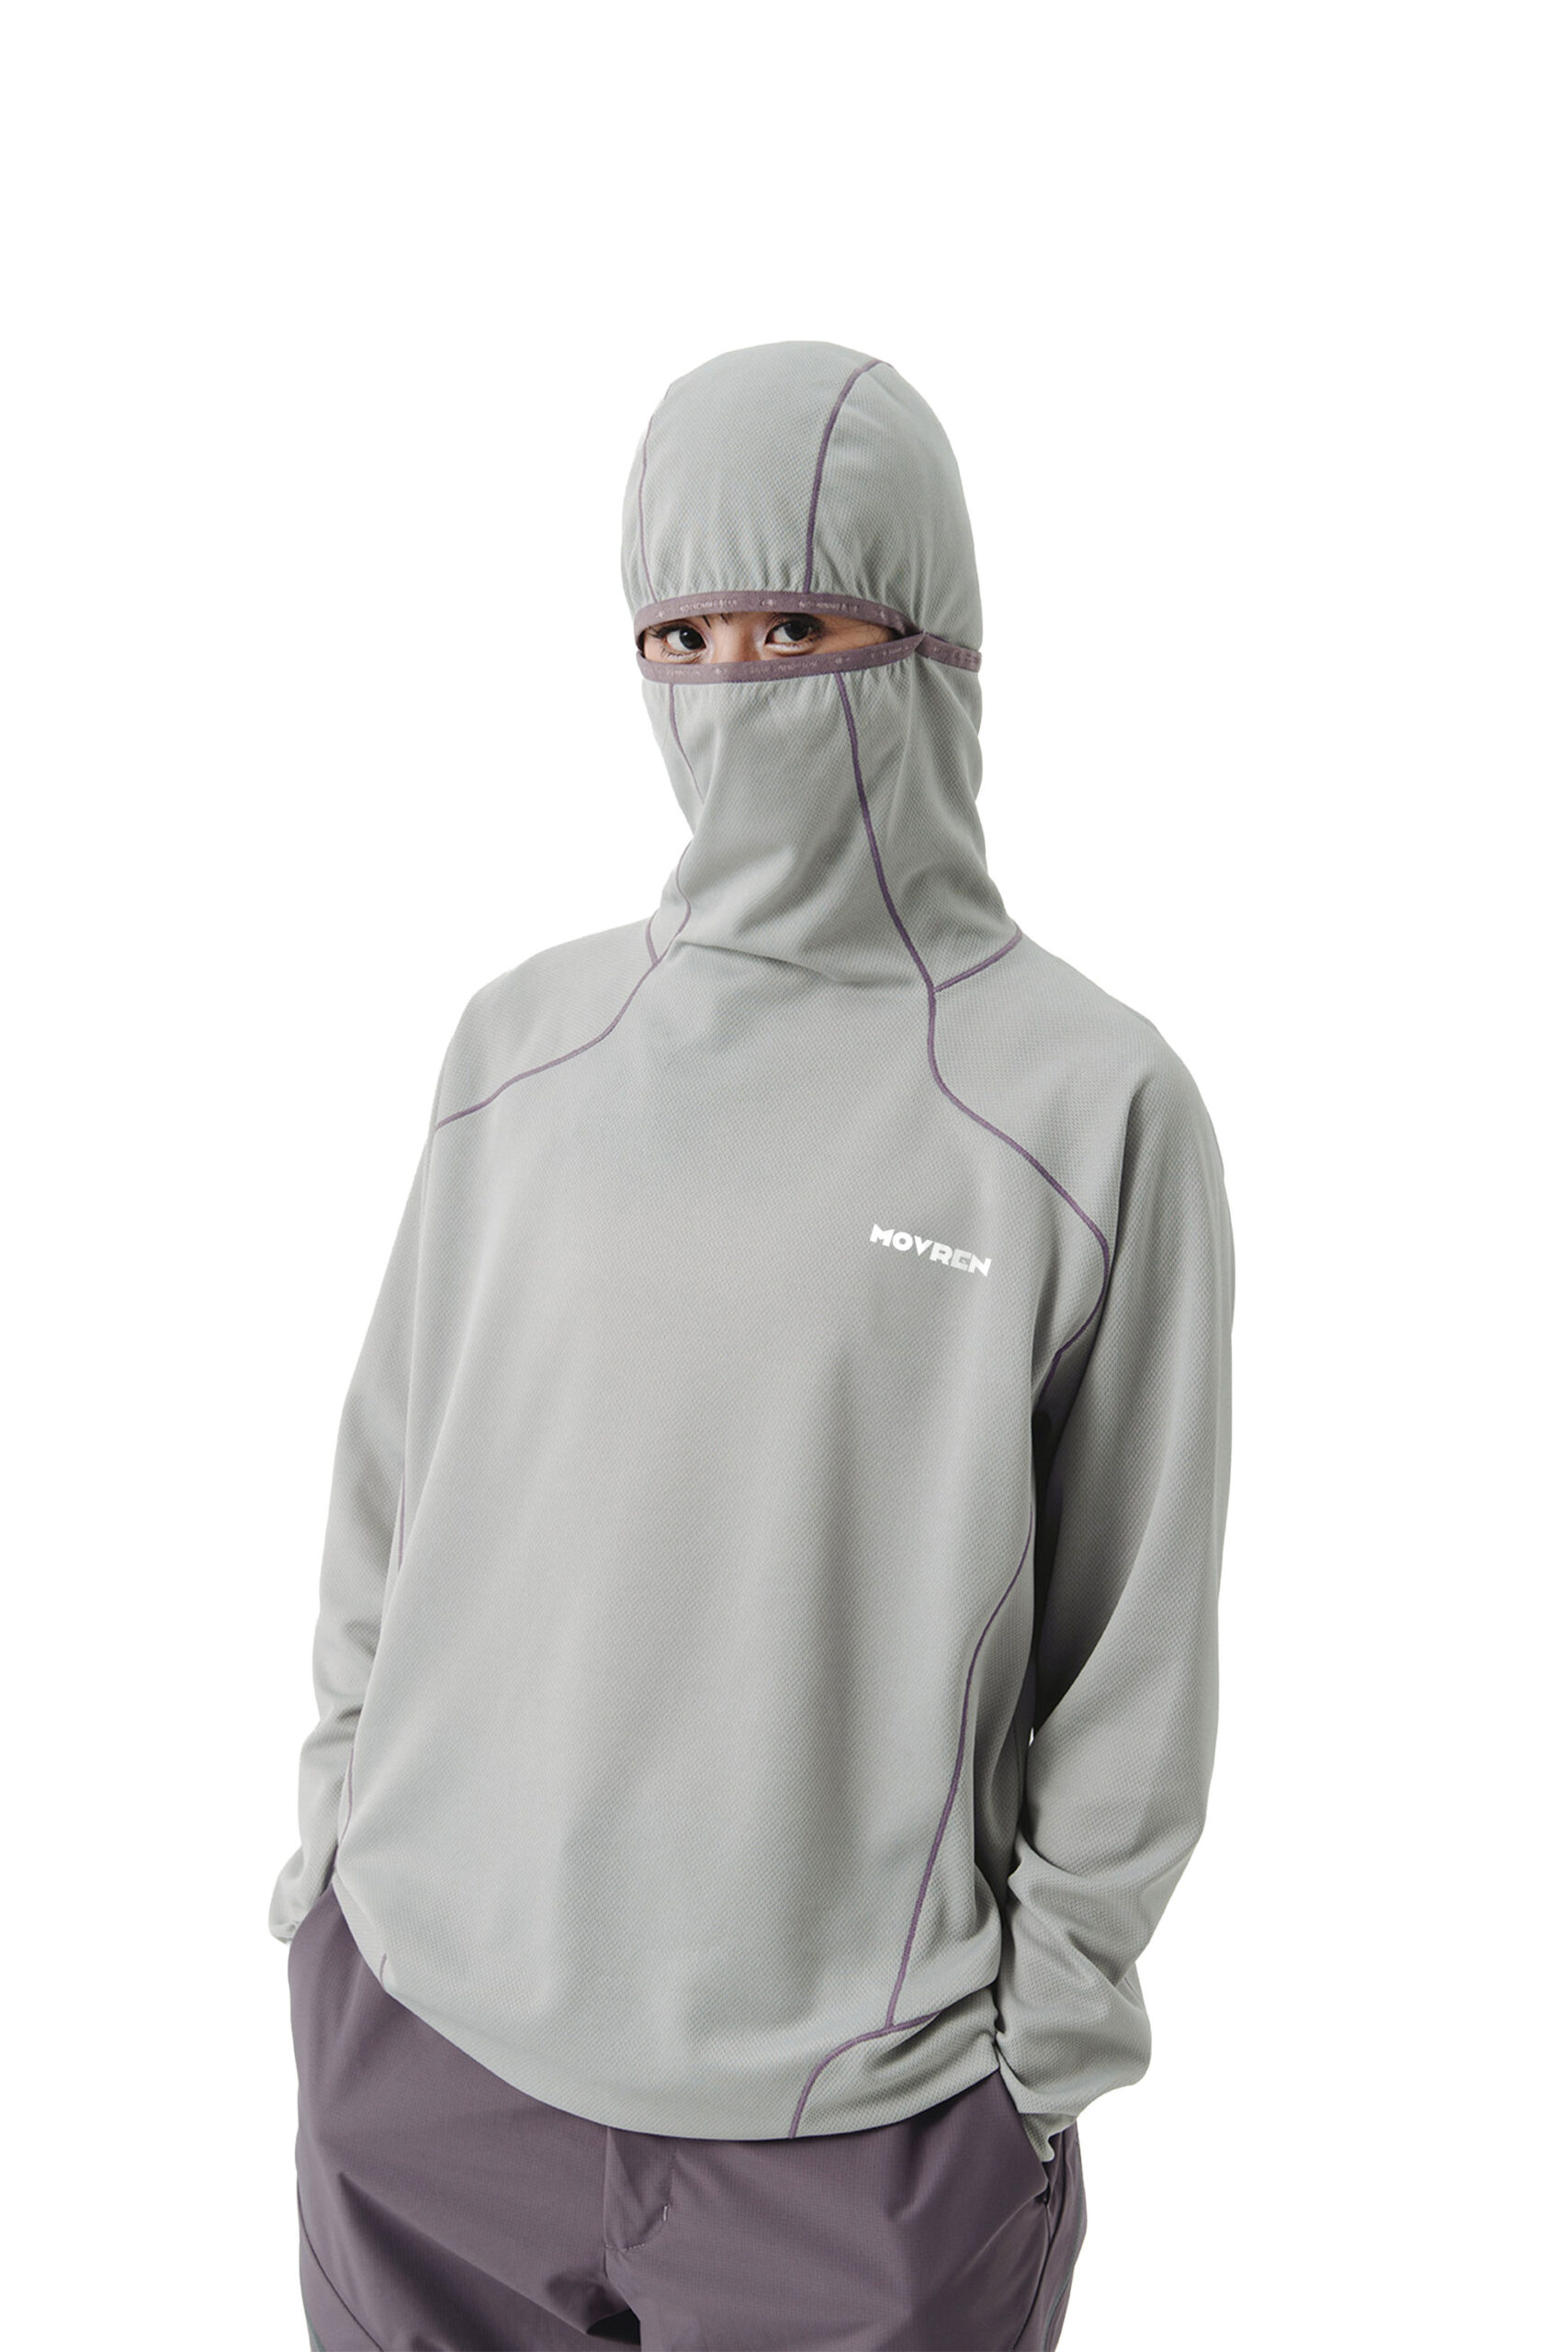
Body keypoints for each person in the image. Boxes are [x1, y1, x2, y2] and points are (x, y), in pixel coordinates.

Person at [271, 338, 1235, 2352]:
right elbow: (388, 1492)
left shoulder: (1081, 1108)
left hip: (856, 2139)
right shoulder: (521, 1046)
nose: (730, 681)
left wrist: (1034, 2053)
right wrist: (334, 1860)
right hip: (423, 2059)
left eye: (793, 626)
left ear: (928, 637)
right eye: (682, 633)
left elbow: (1130, 1649)